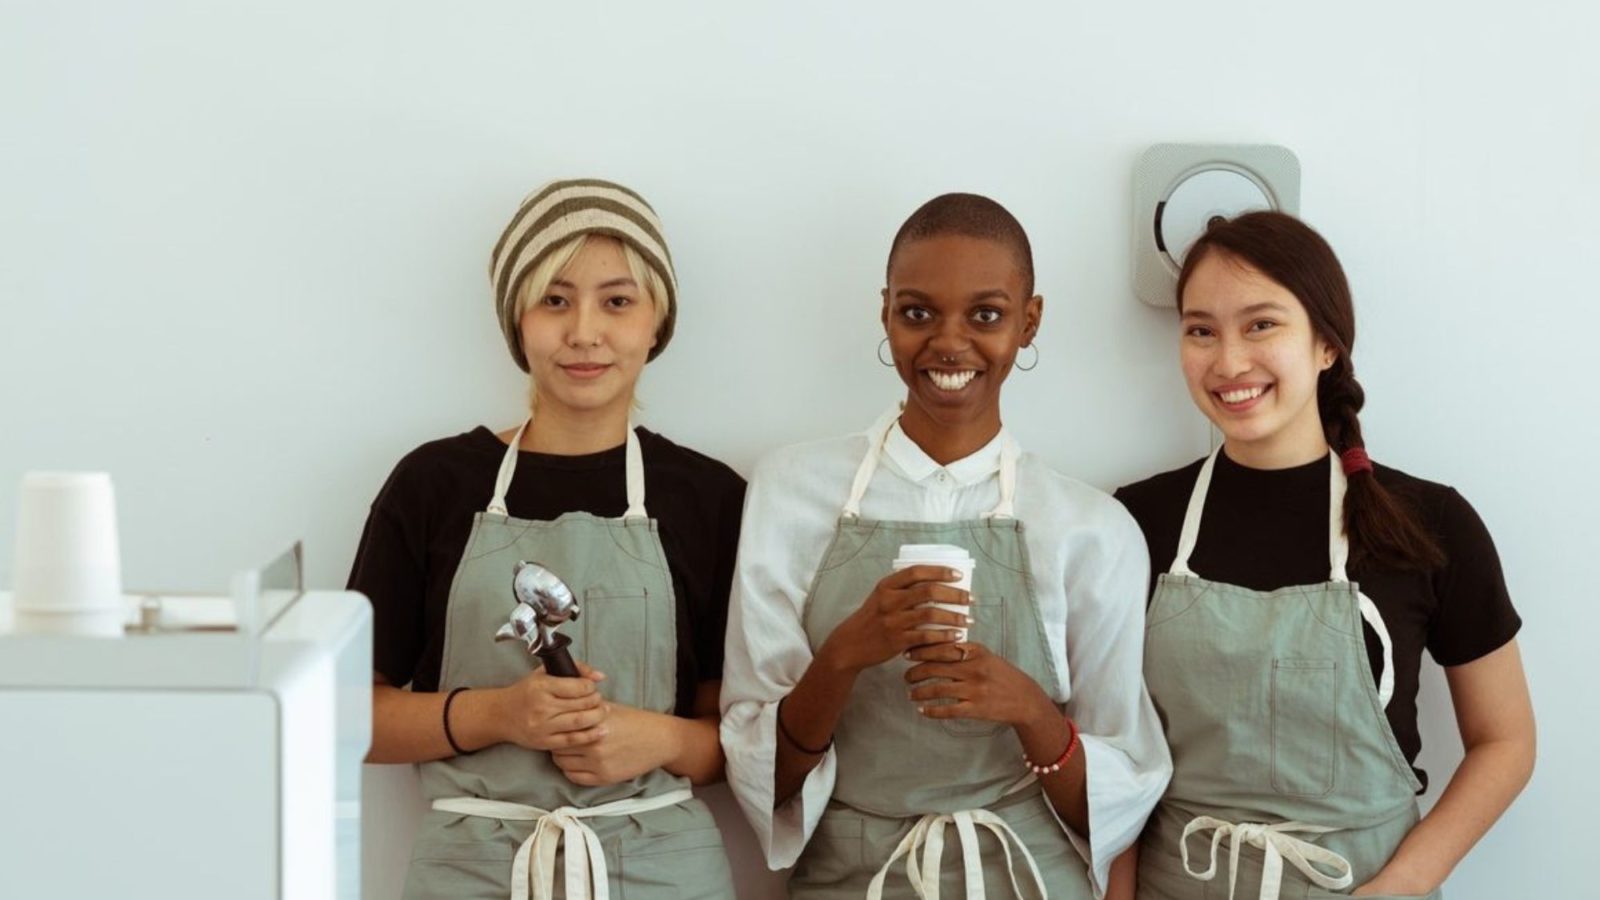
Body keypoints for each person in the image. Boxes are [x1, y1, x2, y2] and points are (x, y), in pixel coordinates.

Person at [721, 193, 1171, 899]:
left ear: (1030, 322)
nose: (949, 342)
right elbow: (760, 773)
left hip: (1027, 878)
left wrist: (1029, 708)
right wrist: (844, 654)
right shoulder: (791, 490)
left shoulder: (1091, 527)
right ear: (886, 313)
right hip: (850, 877)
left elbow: (1117, 803)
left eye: (986, 315)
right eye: (918, 312)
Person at [1114, 211, 1535, 900]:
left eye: (1261, 324)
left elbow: (1506, 740)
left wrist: (1403, 884)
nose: (1228, 362)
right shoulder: (1137, 520)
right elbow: (1118, 749)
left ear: (1326, 345)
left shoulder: (1431, 524)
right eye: (1200, 330)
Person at [350, 178, 744, 899]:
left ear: (656, 321)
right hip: (470, 873)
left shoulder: (709, 497)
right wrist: (498, 713)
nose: (585, 332)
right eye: (554, 300)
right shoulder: (433, 483)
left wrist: (657, 740)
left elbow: (747, 731)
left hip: (662, 871)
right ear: (517, 321)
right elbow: (350, 717)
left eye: (617, 301)